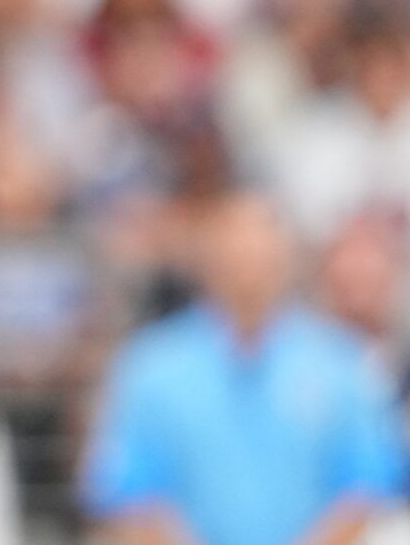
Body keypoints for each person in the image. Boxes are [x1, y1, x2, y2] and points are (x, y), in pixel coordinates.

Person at [82, 193, 406, 545]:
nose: (248, 265)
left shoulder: (341, 363)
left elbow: (365, 488)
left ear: (287, 257)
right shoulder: (150, 366)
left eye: (260, 250)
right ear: (206, 261)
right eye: (234, 250)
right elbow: (130, 493)